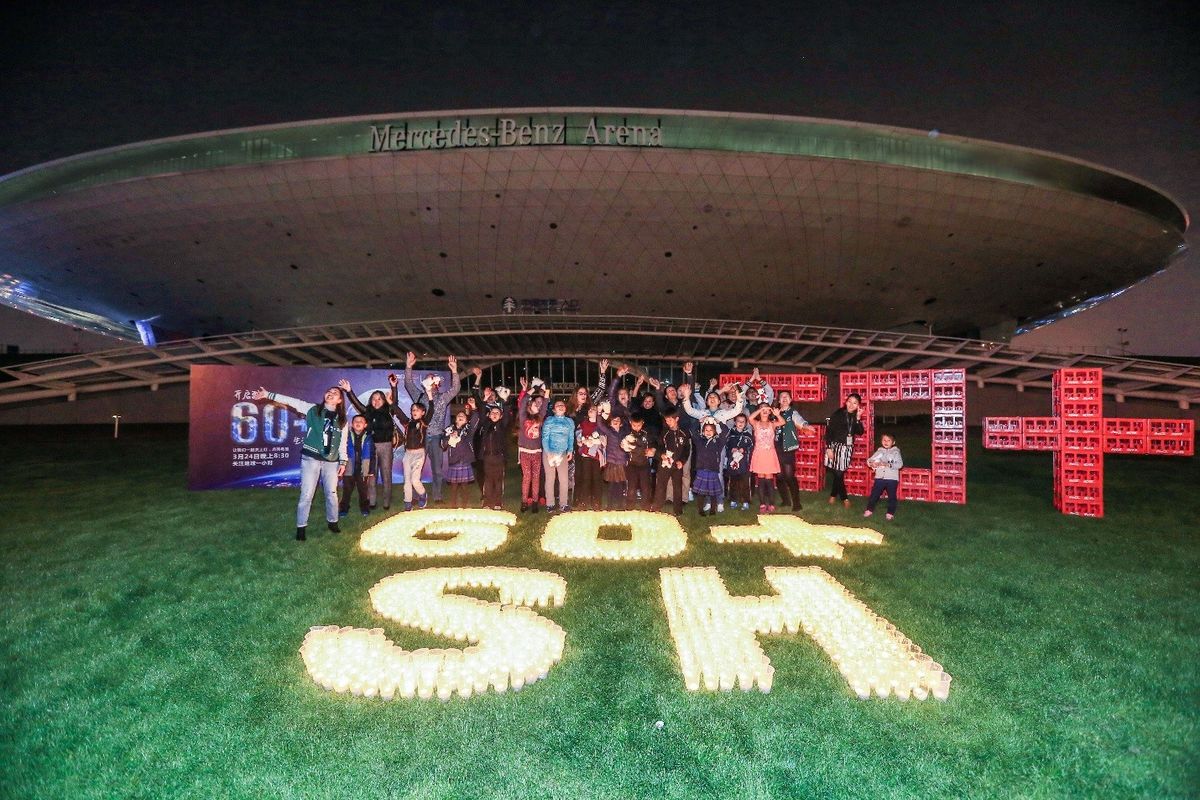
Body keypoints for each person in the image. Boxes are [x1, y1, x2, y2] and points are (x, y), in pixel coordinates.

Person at [252, 385, 348, 540]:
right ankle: (301, 527)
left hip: (331, 461)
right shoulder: (312, 409)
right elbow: (291, 401)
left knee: (332, 494)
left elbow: (343, 443)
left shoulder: (342, 420)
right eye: (328, 391)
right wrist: (268, 394)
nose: (330, 394)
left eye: (334, 393)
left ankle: (333, 522)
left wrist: (343, 462)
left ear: (339, 400)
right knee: (307, 494)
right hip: (310, 458)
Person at [403, 351, 461, 504]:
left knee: (437, 469)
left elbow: (455, 390)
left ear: (437, 383)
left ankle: (437, 496)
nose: (430, 381)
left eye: (432, 379)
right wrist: (408, 367)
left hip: (435, 437)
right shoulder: (420, 397)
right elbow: (408, 384)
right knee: (416, 469)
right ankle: (417, 496)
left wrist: (454, 371)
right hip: (419, 439)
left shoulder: (442, 398)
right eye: (427, 379)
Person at [339, 379, 397, 510]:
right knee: (371, 475)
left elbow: (395, 404)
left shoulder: (389, 411)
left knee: (386, 474)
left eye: (379, 399)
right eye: (374, 399)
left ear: (384, 400)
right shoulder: (367, 412)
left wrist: (394, 388)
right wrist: (349, 391)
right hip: (370, 446)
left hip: (386, 446)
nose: (376, 401)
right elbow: (356, 403)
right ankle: (372, 501)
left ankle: (386, 502)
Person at [388, 373, 431, 511]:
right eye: (413, 410)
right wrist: (392, 395)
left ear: (423, 413)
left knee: (414, 479)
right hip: (408, 454)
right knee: (407, 479)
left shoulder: (424, 423)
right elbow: (397, 410)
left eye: (417, 410)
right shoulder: (407, 423)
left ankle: (423, 494)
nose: (414, 411)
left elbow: (432, 410)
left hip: (419, 453)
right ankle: (407, 502)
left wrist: (430, 396)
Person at [774, 389, 816, 513]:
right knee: (779, 475)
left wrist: (806, 426)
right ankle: (785, 500)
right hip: (775, 447)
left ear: (791, 400)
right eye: (782, 397)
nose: (784, 398)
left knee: (789, 475)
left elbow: (800, 420)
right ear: (779, 400)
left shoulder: (792, 412)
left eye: (787, 396)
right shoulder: (774, 412)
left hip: (788, 447)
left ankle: (796, 503)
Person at [825, 392, 866, 508]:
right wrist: (829, 448)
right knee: (837, 473)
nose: (851, 405)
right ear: (846, 402)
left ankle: (834, 494)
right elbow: (829, 431)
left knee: (839, 472)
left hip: (847, 448)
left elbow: (860, 432)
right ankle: (844, 498)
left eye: (855, 403)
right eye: (849, 402)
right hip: (834, 446)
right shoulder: (838, 414)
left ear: (858, 405)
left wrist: (858, 419)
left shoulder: (855, 416)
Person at [441, 403, 481, 508]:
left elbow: (475, 418)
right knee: (453, 487)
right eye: (459, 415)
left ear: (467, 420)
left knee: (464, 486)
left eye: (463, 416)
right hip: (453, 461)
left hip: (465, 461)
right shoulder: (449, 430)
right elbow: (443, 445)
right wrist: (450, 438)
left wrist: (474, 408)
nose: (460, 416)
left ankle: (464, 505)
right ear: (455, 419)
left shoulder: (468, 430)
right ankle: (453, 505)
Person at [517, 377, 547, 512]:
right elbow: (523, 402)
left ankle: (535, 501)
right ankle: (524, 501)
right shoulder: (523, 417)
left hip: (536, 452)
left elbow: (545, 403)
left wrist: (546, 389)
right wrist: (533, 388)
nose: (538, 406)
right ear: (529, 407)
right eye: (535, 405)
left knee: (536, 477)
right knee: (527, 477)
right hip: (525, 452)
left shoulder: (540, 417)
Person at [652, 409, 691, 515]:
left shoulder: (683, 433)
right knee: (661, 485)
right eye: (666, 420)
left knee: (677, 486)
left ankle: (678, 510)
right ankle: (656, 507)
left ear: (677, 419)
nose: (667, 422)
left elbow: (686, 449)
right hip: (665, 464)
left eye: (670, 420)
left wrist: (682, 462)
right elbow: (658, 446)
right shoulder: (664, 433)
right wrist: (661, 455)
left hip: (677, 465)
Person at [541, 397, 576, 513]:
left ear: (565, 408)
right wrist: (549, 454)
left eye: (562, 405)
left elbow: (571, 437)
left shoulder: (569, 422)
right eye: (558, 405)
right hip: (549, 453)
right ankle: (550, 503)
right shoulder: (549, 420)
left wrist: (570, 450)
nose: (561, 406)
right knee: (550, 479)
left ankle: (563, 504)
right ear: (554, 410)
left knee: (564, 479)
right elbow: (545, 438)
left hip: (562, 454)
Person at [477, 399, 513, 510]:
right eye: (493, 412)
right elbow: (482, 412)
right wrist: (483, 401)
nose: (494, 414)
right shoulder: (486, 425)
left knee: (498, 480)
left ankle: (498, 501)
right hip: (487, 457)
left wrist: (505, 402)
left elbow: (507, 416)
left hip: (499, 457)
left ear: (501, 416)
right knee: (488, 480)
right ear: (489, 415)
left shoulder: (502, 426)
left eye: (497, 413)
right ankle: (487, 502)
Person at [748, 403, 785, 512]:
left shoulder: (772, 424)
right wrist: (761, 409)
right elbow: (750, 417)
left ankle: (771, 503)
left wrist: (776, 414)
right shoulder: (756, 423)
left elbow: (783, 422)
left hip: (769, 454)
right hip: (759, 453)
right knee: (761, 479)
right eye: (762, 409)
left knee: (769, 479)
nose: (764, 411)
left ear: (770, 412)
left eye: (766, 409)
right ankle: (763, 503)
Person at [690, 417, 731, 516]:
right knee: (701, 492)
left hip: (713, 470)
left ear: (715, 432)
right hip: (701, 470)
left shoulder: (718, 442)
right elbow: (692, 430)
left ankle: (713, 509)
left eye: (711, 430)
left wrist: (719, 422)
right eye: (706, 430)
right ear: (703, 431)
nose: (708, 432)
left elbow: (726, 431)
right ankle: (700, 509)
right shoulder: (699, 441)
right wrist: (699, 421)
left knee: (713, 492)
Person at [595, 402, 631, 509]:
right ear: (610, 423)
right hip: (611, 461)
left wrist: (626, 413)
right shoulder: (609, 432)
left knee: (620, 484)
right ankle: (609, 506)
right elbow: (600, 424)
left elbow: (629, 424)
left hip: (621, 462)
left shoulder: (625, 432)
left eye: (618, 420)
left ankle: (620, 505)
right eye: (613, 420)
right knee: (611, 485)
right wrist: (599, 414)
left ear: (621, 423)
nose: (616, 422)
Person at [339, 413, 374, 518]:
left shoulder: (369, 438)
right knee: (347, 490)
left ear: (365, 425)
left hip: (363, 468)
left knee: (363, 491)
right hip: (349, 467)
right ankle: (344, 508)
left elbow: (373, 454)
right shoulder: (346, 436)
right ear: (352, 424)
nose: (358, 423)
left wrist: (371, 469)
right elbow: (341, 450)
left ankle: (364, 508)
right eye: (356, 421)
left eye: (361, 421)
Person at [864, 434, 904, 520]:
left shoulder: (896, 452)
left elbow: (900, 464)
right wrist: (872, 463)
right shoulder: (879, 451)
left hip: (892, 479)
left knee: (892, 496)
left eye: (888, 440)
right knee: (874, 495)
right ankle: (869, 509)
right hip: (879, 478)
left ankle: (890, 513)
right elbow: (869, 460)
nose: (886, 442)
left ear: (893, 442)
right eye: (884, 440)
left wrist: (887, 464)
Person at [574, 404, 606, 511]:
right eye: (590, 409)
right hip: (585, 455)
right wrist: (583, 441)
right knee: (586, 478)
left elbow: (604, 439)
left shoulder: (601, 425)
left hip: (596, 456)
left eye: (594, 409)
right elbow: (578, 437)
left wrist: (594, 441)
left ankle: (597, 502)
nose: (591, 411)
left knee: (597, 479)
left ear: (598, 412)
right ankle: (584, 501)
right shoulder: (583, 424)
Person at [624, 412, 656, 511]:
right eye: (634, 425)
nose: (636, 427)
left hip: (644, 465)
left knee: (645, 487)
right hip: (632, 464)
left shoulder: (647, 434)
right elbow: (625, 447)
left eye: (638, 425)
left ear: (642, 423)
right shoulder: (627, 435)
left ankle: (646, 506)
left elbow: (654, 442)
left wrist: (653, 449)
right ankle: (630, 506)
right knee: (631, 487)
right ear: (630, 423)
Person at [724, 413, 754, 510]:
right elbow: (726, 447)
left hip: (744, 464)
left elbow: (752, 448)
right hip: (733, 463)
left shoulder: (748, 436)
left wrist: (744, 450)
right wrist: (731, 450)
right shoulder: (730, 435)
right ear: (734, 422)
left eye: (743, 422)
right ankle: (733, 499)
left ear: (746, 424)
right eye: (738, 421)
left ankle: (745, 501)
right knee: (733, 481)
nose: (740, 423)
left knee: (745, 482)